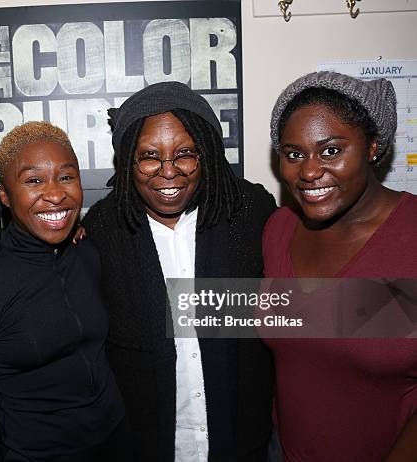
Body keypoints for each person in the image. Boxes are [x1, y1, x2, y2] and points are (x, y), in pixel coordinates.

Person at [82, 81, 277, 461]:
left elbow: (286, 312)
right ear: (127, 161)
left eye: (185, 153)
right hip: (146, 446)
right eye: (150, 156)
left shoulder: (251, 211)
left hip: (242, 443)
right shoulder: (103, 229)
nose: (168, 172)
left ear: (206, 154)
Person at [0, 121, 127, 462]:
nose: (55, 194)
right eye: (34, 180)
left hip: (118, 442)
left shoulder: (88, 253)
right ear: (5, 195)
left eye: (66, 177)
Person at [264, 71, 417, 461]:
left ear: (372, 148)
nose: (309, 171)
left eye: (331, 150)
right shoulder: (279, 229)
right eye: (294, 154)